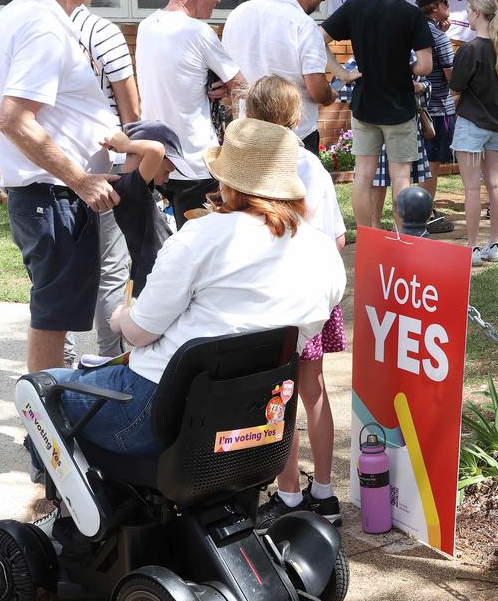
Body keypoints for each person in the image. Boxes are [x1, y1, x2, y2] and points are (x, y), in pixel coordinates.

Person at [32, 118, 342, 463]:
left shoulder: (200, 236)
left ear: (227, 182)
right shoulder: (324, 250)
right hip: (254, 416)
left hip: (162, 410)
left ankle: (65, 505)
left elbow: (141, 333)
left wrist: (120, 319)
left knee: (39, 390)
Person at [0, 0, 121, 373]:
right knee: (53, 319)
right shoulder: (42, 25)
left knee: (53, 314)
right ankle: (43, 433)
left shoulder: (20, 15)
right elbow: (14, 119)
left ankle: (43, 425)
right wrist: (81, 179)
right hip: (54, 195)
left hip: (48, 194)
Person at [241, 77, 347, 527]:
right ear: (296, 116)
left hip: (272, 299)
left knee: (277, 398)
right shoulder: (312, 166)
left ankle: (287, 496)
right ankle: (324, 492)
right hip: (314, 293)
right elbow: (338, 238)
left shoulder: (246, 167)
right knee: (314, 390)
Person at [321, 0, 433, 230]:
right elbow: (426, 66)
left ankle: (366, 238)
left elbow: (316, 39)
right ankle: (401, 239)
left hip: (364, 104)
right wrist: (403, 67)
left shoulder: (354, 7)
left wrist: (343, 74)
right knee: (401, 178)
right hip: (400, 107)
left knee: (363, 176)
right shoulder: (412, 14)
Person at [136, 0, 246, 229]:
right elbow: (243, 85)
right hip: (196, 162)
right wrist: (228, 91)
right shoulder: (199, 31)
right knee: (205, 251)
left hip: (156, 160)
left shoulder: (146, 26)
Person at [65, 0, 141, 364]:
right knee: (111, 271)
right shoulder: (102, 31)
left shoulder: (35, 27)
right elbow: (131, 110)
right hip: (104, 161)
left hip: (54, 165)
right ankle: (109, 361)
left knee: (59, 274)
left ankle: (57, 367)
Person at [222, 0, 337, 157]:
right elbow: (317, 90)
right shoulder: (305, 26)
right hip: (294, 134)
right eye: (321, 0)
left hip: (248, 128)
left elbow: (227, 73)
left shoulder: (240, 12)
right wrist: (330, 95)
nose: (318, 6)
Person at [450, 0, 498, 265]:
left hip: (472, 123)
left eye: (468, 11)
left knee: (472, 189)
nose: (466, 15)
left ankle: (473, 248)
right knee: (495, 185)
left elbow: (456, 87)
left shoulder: (470, 49)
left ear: (476, 13)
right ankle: (493, 244)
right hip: (497, 124)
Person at [98, 122, 190, 297]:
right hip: (155, 273)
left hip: (157, 271)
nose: (167, 179)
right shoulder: (129, 187)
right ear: (142, 156)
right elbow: (156, 150)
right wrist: (126, 146)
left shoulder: (133, 186)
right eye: (166, 171)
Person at [416, 0, 459, 233]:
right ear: (434, 7)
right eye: (446, 3)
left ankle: (422, 210)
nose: (449, 7)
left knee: (421, 164)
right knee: (431, 165)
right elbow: (451, 76)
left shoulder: (416, 30)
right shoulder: (439, 37)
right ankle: (426, 216)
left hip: (416, 108)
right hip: (437, 109)